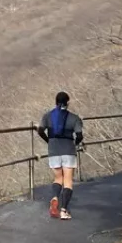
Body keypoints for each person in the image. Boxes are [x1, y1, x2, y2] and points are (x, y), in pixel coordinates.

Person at [38, 91, 84, 220]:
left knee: (58, 178)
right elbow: (79, 135)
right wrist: (76, 143)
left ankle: (54, 198)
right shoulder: (74, 118)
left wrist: (48, 140)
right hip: (68, 150)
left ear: (56, 102)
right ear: (67, 103)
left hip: (53, 151)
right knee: (68, 181)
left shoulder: (47, 116)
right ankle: (64, 211)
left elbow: (40, 130)